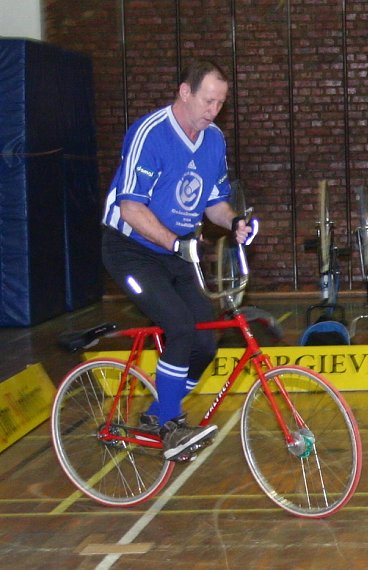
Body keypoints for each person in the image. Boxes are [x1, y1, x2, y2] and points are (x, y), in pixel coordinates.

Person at [101, 60, 258, 461]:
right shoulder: (150, 134)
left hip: (177, 252)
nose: (213, 110)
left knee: (205, 341)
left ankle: (157, 413)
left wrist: (236, 221)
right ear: (184, 93)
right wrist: (176, 243)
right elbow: (131, 207)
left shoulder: (214, 140)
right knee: (179, 325)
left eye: (221, 104)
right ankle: (171, 424)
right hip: (131, 250)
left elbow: (214, 205)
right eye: (208, 101)